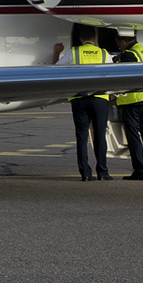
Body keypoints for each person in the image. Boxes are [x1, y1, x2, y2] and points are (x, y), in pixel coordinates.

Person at [51, 24, 111, 181]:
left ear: (80, 38)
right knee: (100, 136)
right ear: (94, 38)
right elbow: (112, 75)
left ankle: (85, 172)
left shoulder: (73, 52)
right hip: (99, 99)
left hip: (80, 99)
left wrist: (56, 53)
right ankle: (103, 172)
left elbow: (56, 69)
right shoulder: (104, 53)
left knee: (82, 136)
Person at [111, 32, 143, 180]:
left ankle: (139, 170)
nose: (118, 45)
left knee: (133, 137)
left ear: (124, 41)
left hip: (133, 101)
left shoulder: (128, 55)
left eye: (119, 42)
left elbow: (123, 78)